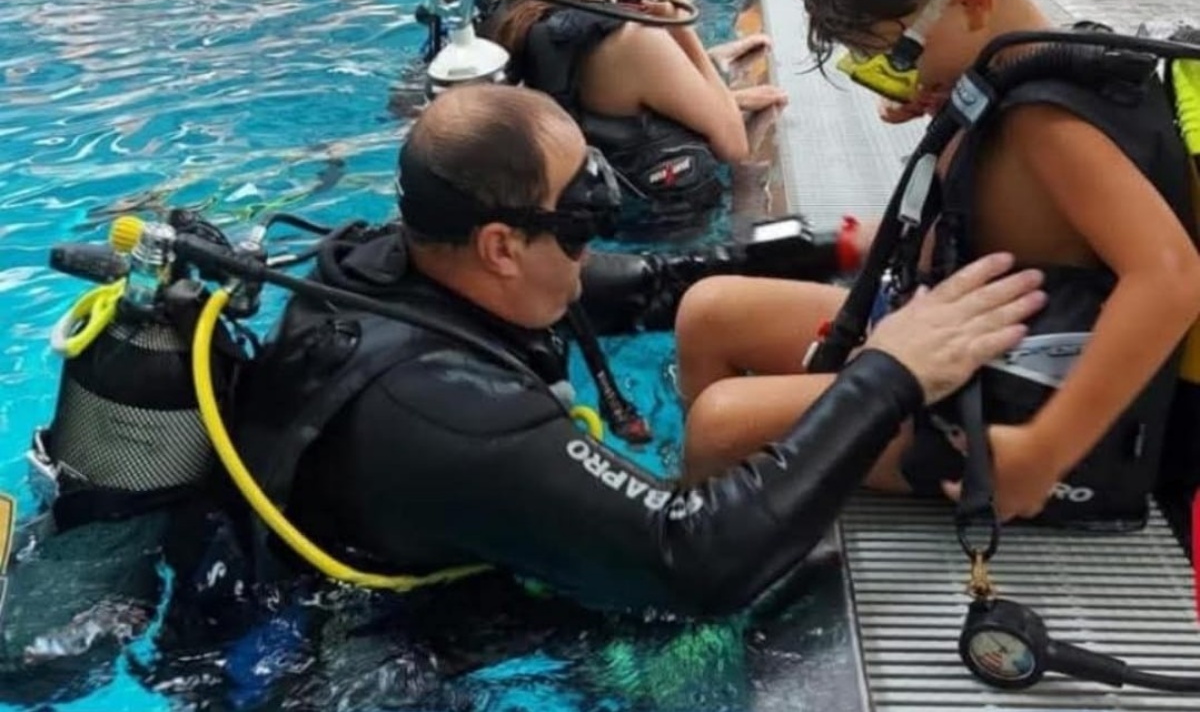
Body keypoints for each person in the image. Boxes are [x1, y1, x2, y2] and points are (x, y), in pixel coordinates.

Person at [228, 82, 1046, 616]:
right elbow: (694, 557)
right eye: (580, 228)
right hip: (360, 648)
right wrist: (890, 373)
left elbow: (656, 284)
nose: (591, 250)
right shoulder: (450, 413)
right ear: (501, 247)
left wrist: (832, 244)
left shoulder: (405, 262)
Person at [676, 0, 1200, 530]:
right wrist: (951, 109)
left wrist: (1045, 449)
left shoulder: (1049, 125)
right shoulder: (1009, 65)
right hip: (953, 335)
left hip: (1019, 413)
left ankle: (718, 562)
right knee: (708, 311)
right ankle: (750, 513)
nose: (908, 75)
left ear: (973, 5)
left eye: (902, 52)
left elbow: (1172, 276)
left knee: (721, 424)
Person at [487, 0, 788, 233]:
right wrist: (683, 32)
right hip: (652, 234)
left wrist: (726, 84)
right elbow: (734, 145)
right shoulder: (637, 40)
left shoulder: (530, 6)